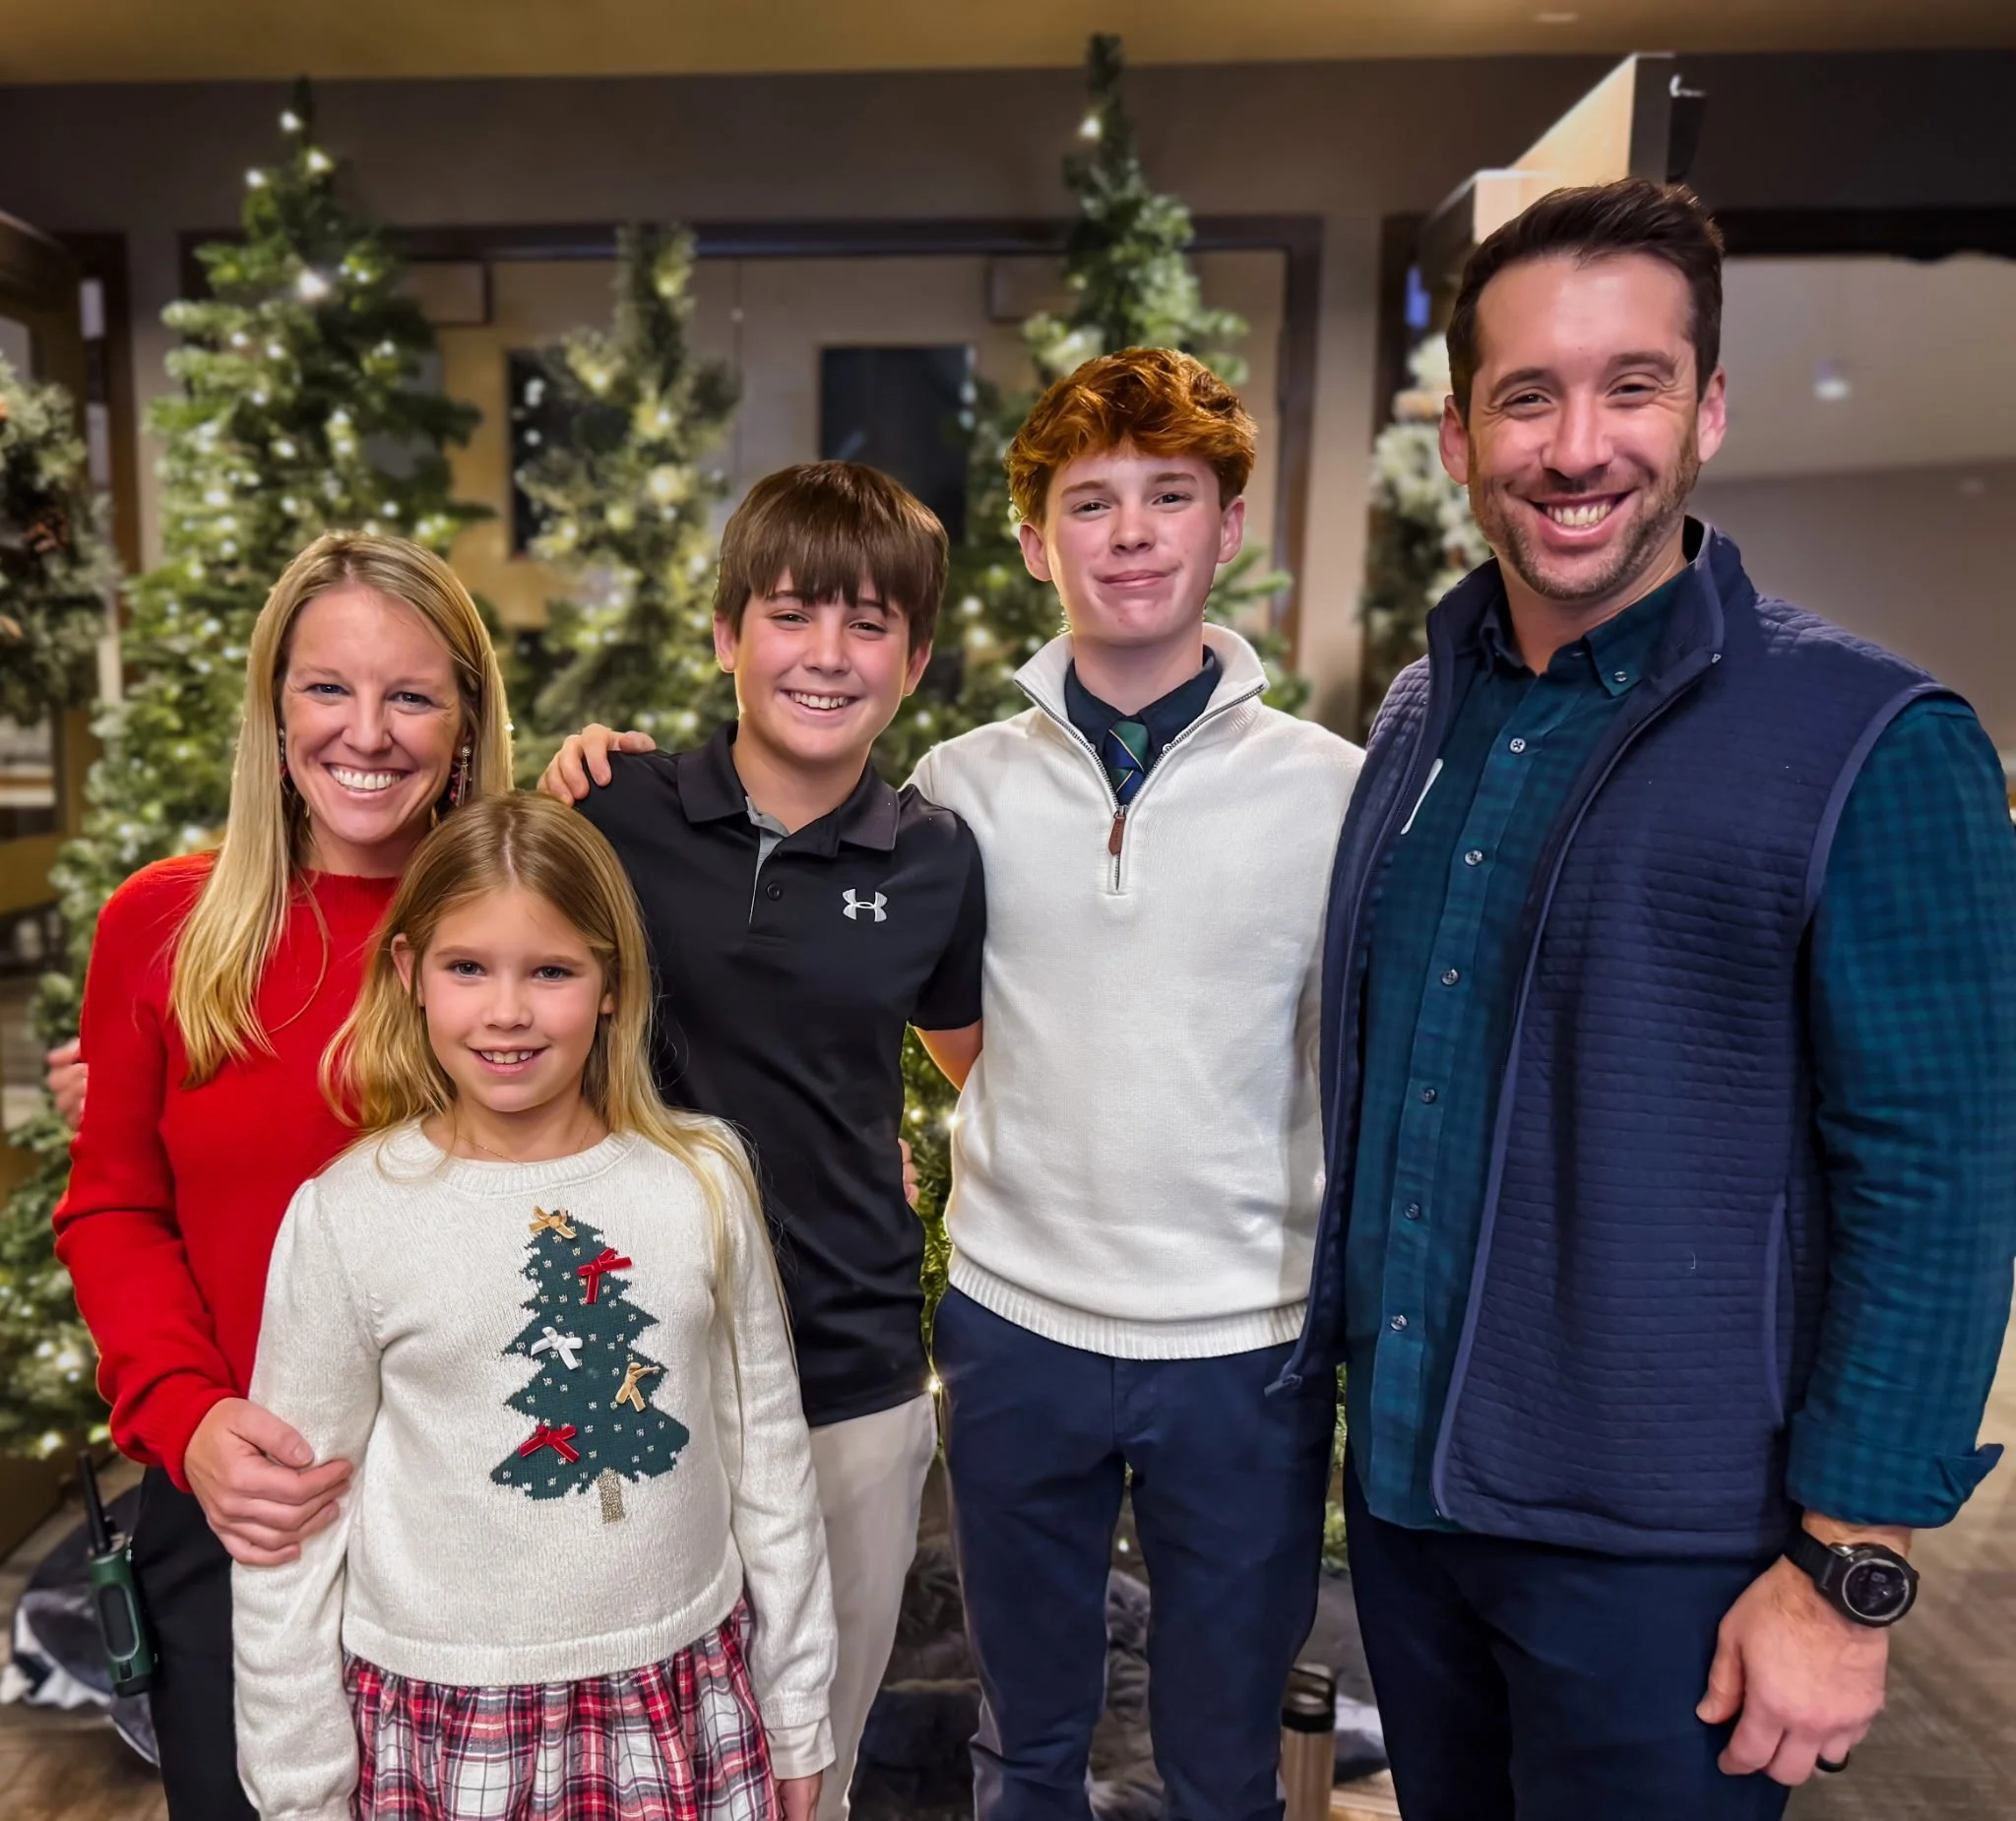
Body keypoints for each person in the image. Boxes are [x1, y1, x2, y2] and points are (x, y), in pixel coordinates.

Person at [1278, 179, 2016, 1820]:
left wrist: (1845, 1574)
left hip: (1667, 1565)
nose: (1575, 445)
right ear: (1457, 435)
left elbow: (1940, 1189)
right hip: (1410, 1515)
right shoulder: (1422, 714)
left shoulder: (1872, 743)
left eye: (1631, 386)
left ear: (1708, 410)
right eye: (1524, 396)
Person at [906, 346, 1361, 1820]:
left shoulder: (1336, 790)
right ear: (1037, 543)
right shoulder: (957, 783)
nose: (1134, 531)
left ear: (1228, 525)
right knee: (1025, 1746)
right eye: (1090, 502)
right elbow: (949, 1012)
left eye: (1172, 494)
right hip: (1016, 1324)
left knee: (1224, 1767)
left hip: (1247, 1340)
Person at [232, 792, 836, 1821]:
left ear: (610, 986)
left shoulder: (699, 1178)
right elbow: (293, 1532)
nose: (506, 1011)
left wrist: (796, 1708)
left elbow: (768, 1457)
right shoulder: (349, 1213)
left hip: (677, 1691)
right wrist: (298, 1790)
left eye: (550, 970)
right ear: (410, 974)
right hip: (446, 1718)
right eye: (468, 967)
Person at [538, 462, 986, 1821]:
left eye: (870, 625)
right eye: (794, 614)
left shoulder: (937, 860)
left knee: (809, 1763)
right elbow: (476, 995)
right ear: (727, 633)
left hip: (847, 1365)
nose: (829, 655)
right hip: (633, 1358)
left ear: (913, 661)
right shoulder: (611, 813)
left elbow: (999, 1081)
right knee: (626, 1748)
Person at [52, 532, 512, 1818]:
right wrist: (189, 1416)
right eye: (329, 688)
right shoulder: (161, 924)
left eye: (412, 694)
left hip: (479, 1513)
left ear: (467, 722)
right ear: (273, 705)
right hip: (246, 1502)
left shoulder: (518, 931)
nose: (366, 731)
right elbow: (113, 1207)